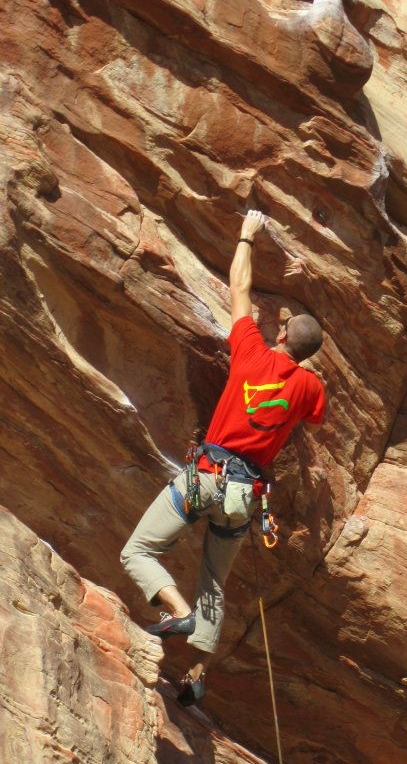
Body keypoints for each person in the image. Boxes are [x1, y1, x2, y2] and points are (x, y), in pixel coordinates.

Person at [120, 210, 326, 704]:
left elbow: (239, 289)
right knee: (214, 581)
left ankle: (176, 612)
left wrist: (247, 235)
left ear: (281, 335)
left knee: (137, 552)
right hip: (242, 496)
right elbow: (315, 420)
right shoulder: (310, 388)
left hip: (208, 476)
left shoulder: (251, 351)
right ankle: (196, 675)